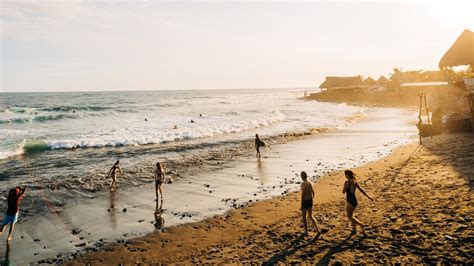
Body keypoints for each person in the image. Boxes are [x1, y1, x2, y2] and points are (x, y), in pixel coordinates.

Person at [342, 170, 373, 234]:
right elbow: (361, 190)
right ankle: (354, 229)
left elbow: (343, 192)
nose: (345, 176)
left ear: (347, 175)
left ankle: (361, 224)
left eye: (345, 175)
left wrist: (345, 188)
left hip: (349, 201)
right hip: (354, 201)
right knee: (351, 215)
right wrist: (368, 197)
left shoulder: (346, 182)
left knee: (349, 217)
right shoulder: (355, 182)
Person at [300, 171, 320, 235]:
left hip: (305, 201)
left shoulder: (303, 184)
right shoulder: (310, 182)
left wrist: (301, 204)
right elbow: (313, 192)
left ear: (302, 177)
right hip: (310, 200)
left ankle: (306, 231)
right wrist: (311, 197)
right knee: (310, 216)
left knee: (304, 217)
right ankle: (317, 230)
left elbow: (303, 194)